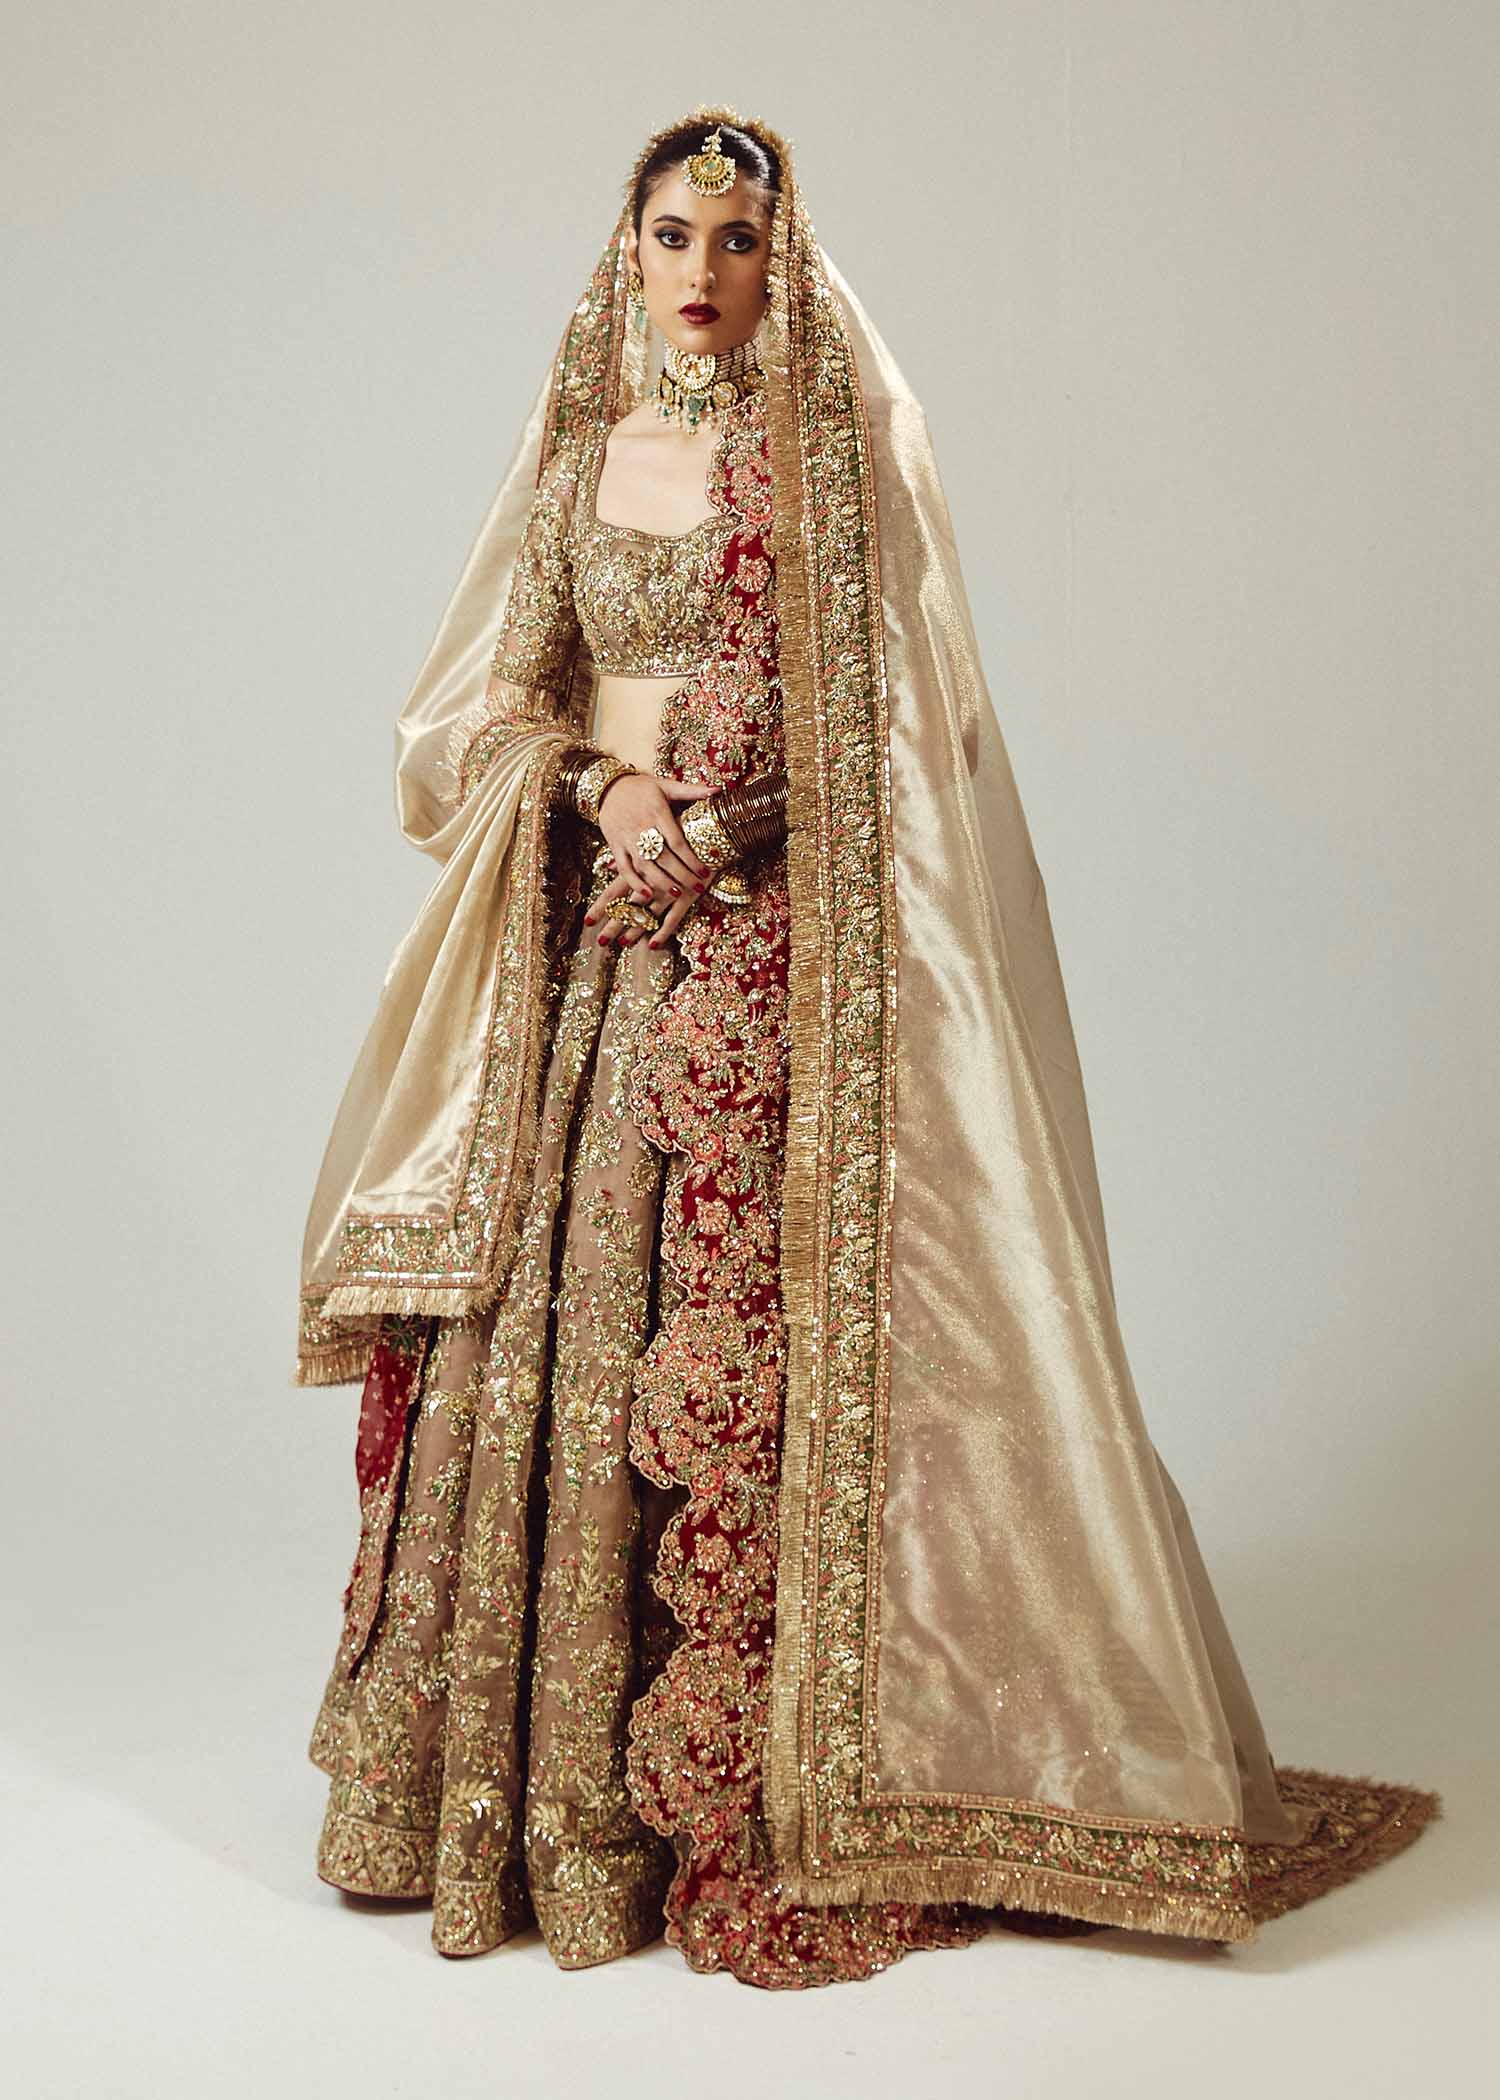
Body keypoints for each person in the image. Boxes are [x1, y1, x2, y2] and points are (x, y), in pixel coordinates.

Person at [292, 105, 1438, 1990]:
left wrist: (722, 833)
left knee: (756, 1345)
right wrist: (604, 792)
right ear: (627, 252)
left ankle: (783, 1787)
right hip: (594, 952)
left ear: (783, 262)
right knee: (557, 1334)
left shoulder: (836, 471)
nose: (703, 271)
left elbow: (912, 735)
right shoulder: (575, 463)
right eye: (674, 236)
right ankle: (535, 1803)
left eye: (738, 240)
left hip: (766, 956)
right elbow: (472, 721)